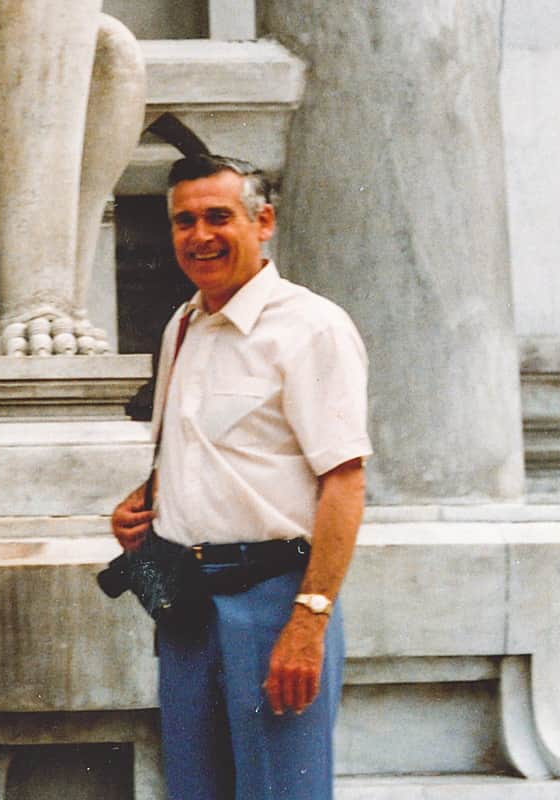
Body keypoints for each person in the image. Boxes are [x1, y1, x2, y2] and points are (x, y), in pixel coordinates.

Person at [110, 154, 372, 800]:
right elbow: (208, 447)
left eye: (218, 217)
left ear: (264, 222)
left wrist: (309, 619)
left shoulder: (311, 328)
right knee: (194, 790)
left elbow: (344, 481)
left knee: (281, 791)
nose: (200, 236)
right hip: (186, 603)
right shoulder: (183, 325)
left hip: (275, 599)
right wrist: (146, 501)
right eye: (184, 221)